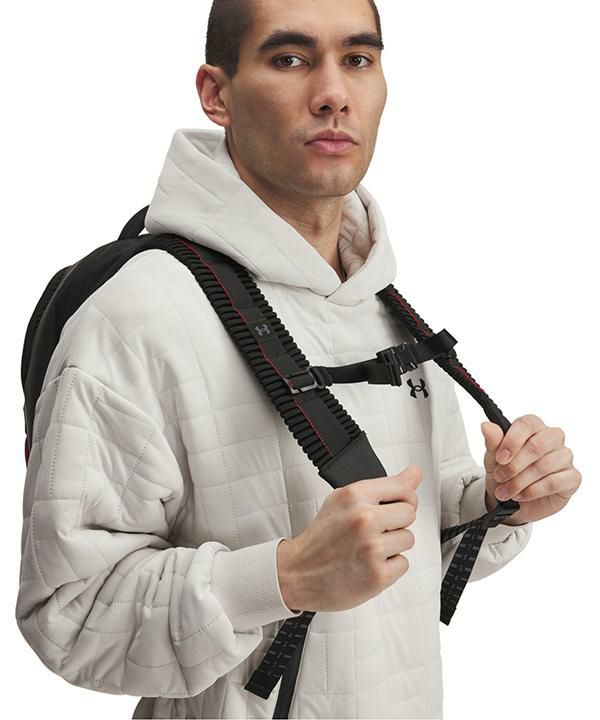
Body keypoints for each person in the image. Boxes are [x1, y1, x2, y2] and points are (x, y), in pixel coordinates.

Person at [15, 1, 581, 718]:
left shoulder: (385, 309)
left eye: (358, 59)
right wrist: (284, 579)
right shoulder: (136, 317)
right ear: (217, 94)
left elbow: (403, 557)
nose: (334, 93)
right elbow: (69, 613)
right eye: (290, 59)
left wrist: (499, 502)